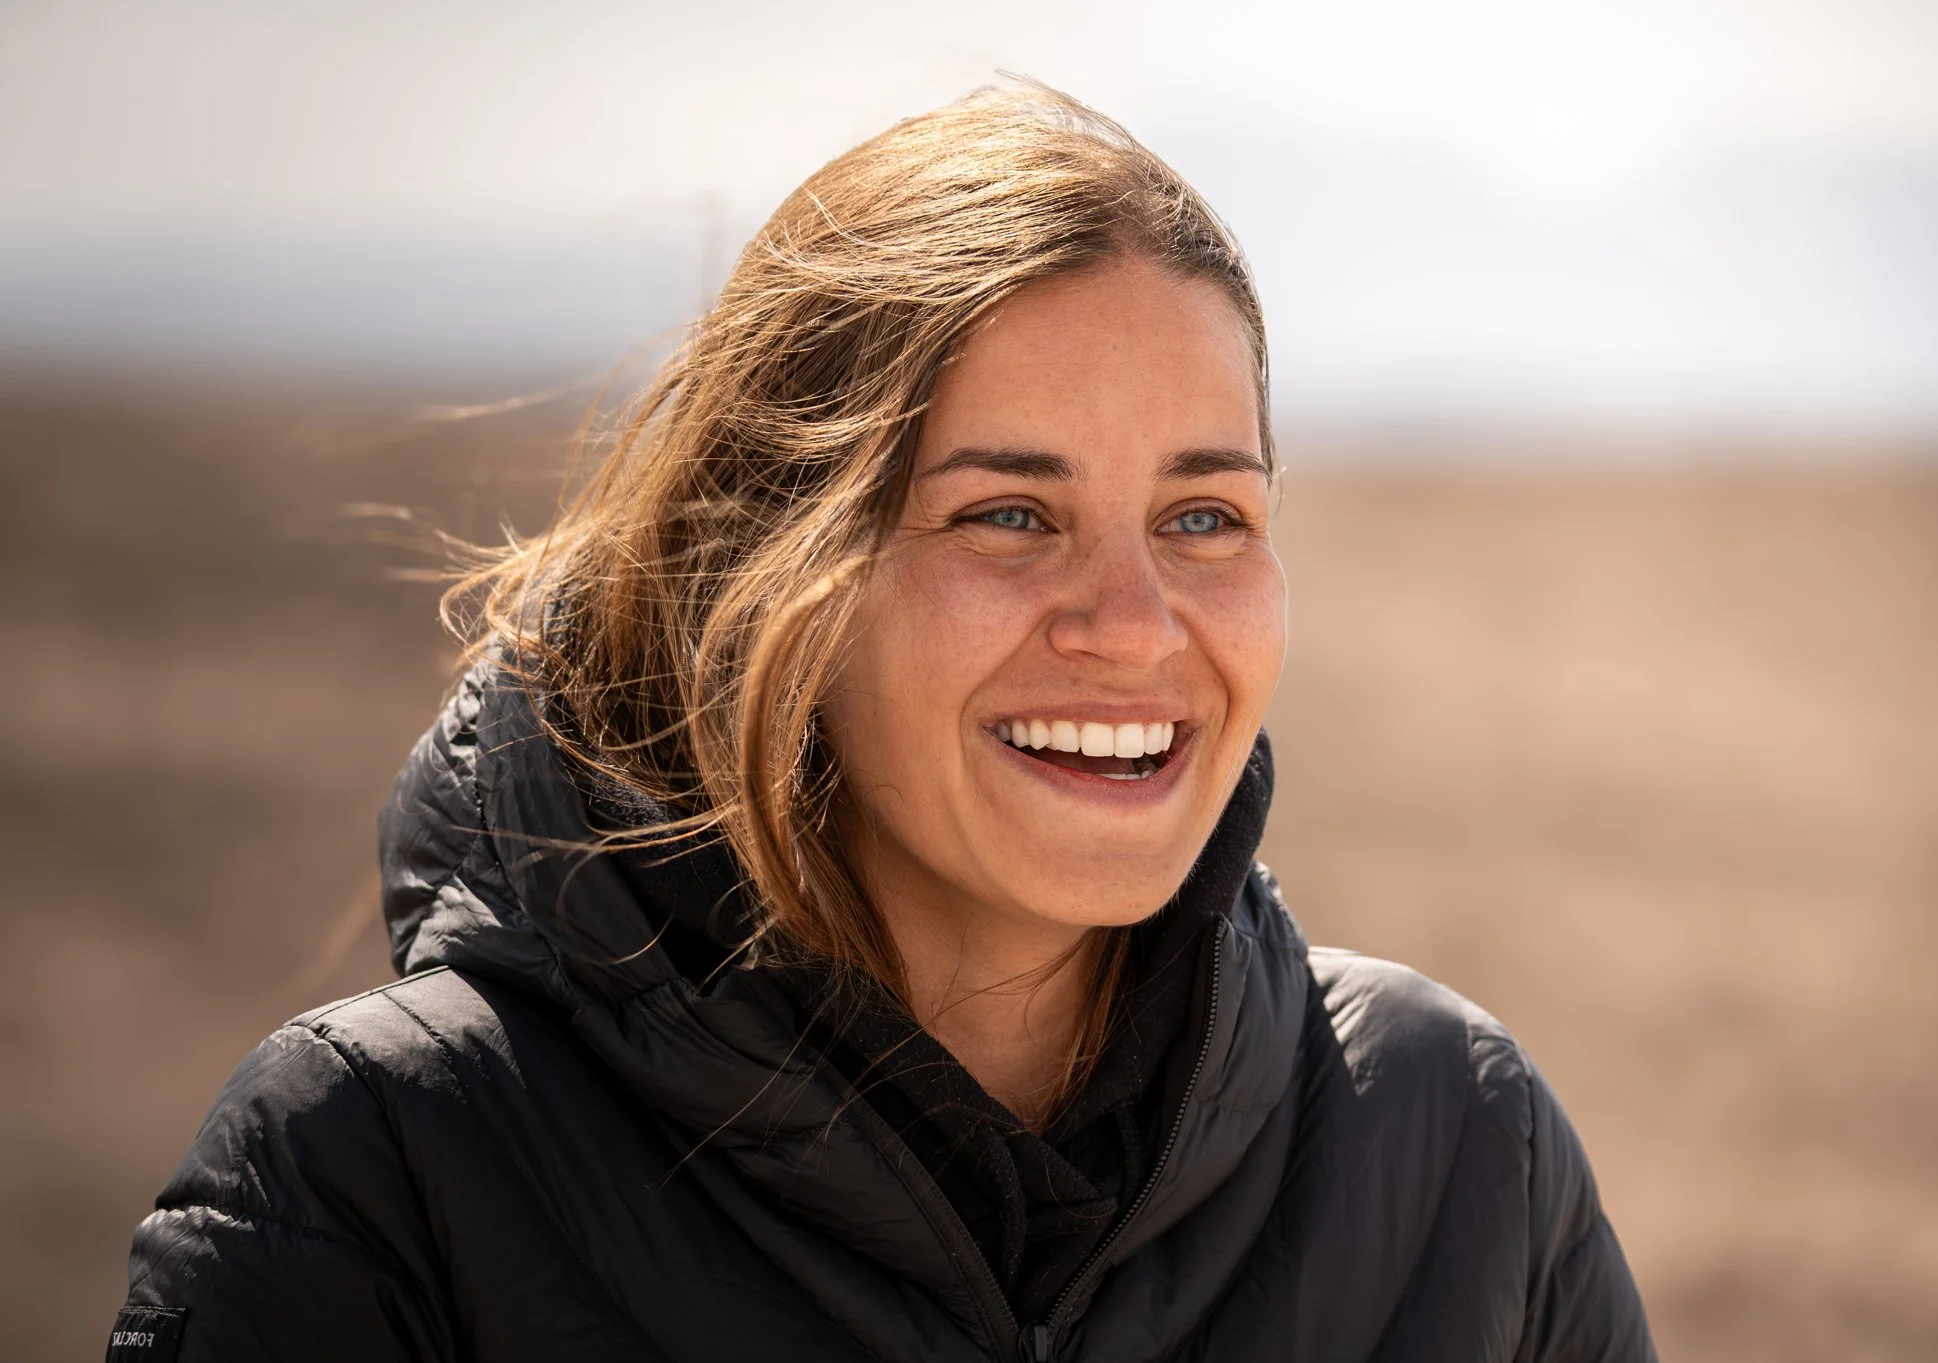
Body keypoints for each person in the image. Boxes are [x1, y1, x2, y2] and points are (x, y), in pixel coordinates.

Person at [111, 83, 1654, 1362]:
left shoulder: (1455, 1148)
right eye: (1005, 514)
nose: (1132, 624)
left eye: (1203, 515)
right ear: (762, 571)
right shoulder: (381, 1172)